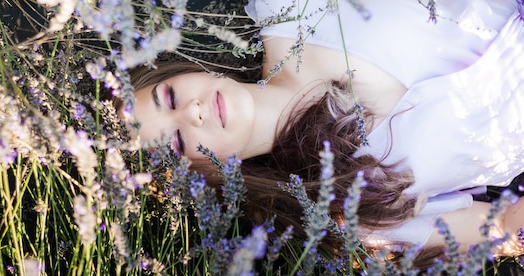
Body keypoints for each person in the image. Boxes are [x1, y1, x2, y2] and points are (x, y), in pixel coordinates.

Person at [124, 0, 524, 261]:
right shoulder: (356, 208)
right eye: (177, 140)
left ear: (184, 71)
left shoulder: (287, 8)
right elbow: (503, 226)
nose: (192, 110)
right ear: (204, 175)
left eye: (170, 97)